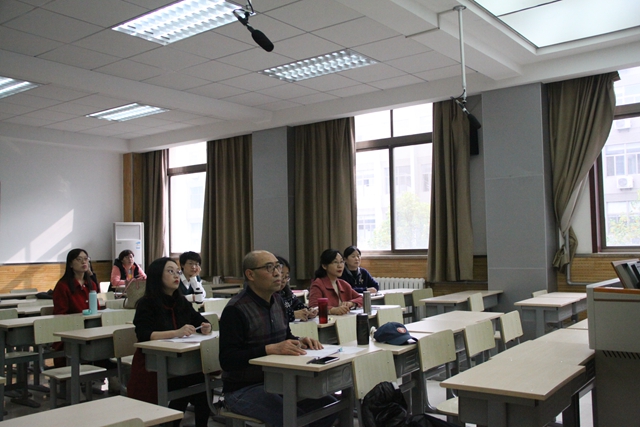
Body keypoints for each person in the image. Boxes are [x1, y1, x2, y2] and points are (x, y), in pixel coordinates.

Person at [219, 250, 336, 427]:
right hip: (244, 388)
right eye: (269, 268)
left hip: (280, 380)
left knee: (329, 406)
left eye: (278, 267)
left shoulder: (278, 301)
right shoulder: (235, 309)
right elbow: (227, 359)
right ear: (250, 274)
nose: (277, 273)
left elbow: (286, 336)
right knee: (291, 417)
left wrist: (300, 341)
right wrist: (269, 349)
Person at [127, 257, 212, 427]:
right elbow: (144, 335)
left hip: (179, 362)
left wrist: (205, 326)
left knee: (203, 380)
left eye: (177, 272)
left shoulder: (180, 301)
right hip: (153, 364)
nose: (176, 275)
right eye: (170, 271)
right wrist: (176, 333)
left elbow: (200, 320)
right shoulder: (146, 303)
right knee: (189, 382)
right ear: (157, 275)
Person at [309, 249, 363, 315]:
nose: (340, 266)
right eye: (335, 262)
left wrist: (352, 303)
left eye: (341, 262)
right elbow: (313, 307)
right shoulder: (318, 284)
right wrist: (332, 310)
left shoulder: (343, 284)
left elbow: (361, 298)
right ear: (324, 266)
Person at [276, 255, 317, 322]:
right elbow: (274, 316)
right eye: (281, 276)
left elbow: (298, 305)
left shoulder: (286, 291)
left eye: (286, 277)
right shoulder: (269, 294)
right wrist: (293, 314)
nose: (284, 281)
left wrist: (308, 311)